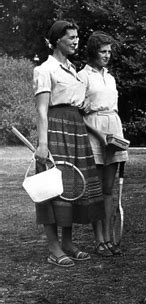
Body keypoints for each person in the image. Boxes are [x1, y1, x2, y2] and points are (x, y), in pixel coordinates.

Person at [33, 20, 105, 268]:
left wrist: (82, 104)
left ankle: (68, 243)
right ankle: (53, 248)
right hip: (55, 130)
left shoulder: (73, 69)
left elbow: (74, 99)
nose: (75, 41)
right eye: (70, 37)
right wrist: (43, 145)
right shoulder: (45, 70)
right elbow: (43, 110)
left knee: (73, 186)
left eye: (76, 37)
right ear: (56, 41)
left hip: (76, 130)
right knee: (52, 189)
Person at [78, 31, 129, 256]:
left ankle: (109, 238)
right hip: (94, 131)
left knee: (108, 189)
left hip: (113, 129)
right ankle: (98, 240)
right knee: (96, 191)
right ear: (92, 52)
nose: (107, 55)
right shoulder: (82, 76)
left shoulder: (110, 77)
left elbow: (113, 108)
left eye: (109, 51)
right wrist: (98, 134)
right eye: (102, 51)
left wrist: (116, 136)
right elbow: (78, 112)